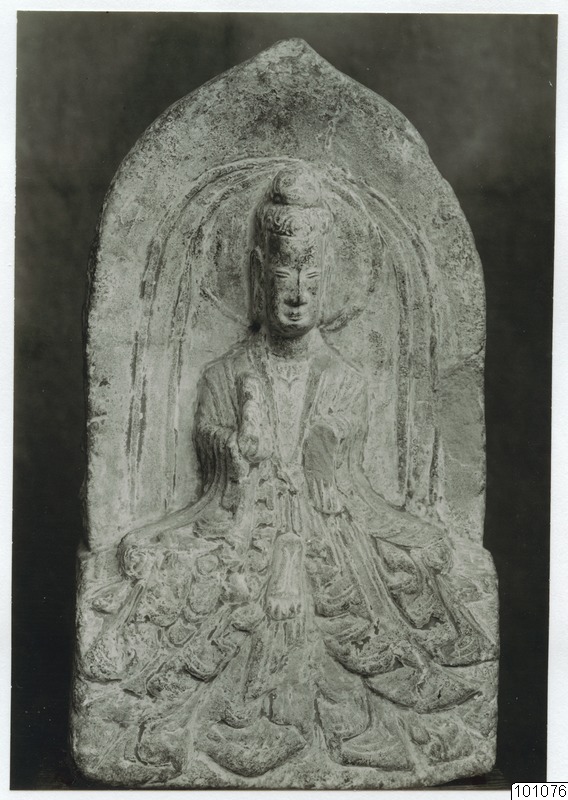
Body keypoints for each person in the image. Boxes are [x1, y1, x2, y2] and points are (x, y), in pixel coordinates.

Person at [81, 163, 497, 779]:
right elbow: (213, 452)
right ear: (257, 274)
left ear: (332, 280)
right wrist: (236, 448)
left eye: (311, 274)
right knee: (148, 559)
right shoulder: (224, 374)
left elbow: (343, 477)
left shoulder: (346, 379)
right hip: (242, 522)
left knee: (424, 561)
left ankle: (365, 721)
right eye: (283, 273)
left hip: (334, 531)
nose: (297, 290)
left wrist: (324, 455)